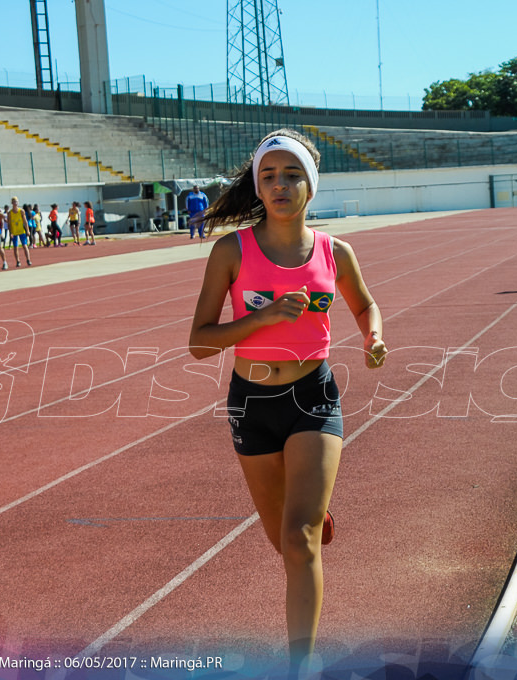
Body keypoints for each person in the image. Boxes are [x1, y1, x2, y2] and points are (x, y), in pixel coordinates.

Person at [188, 129, 387, 676]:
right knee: (283, 538)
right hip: (250, 402)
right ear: (258, 185)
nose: (280, 185)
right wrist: (259, 320)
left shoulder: (334, 252)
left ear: (311, 185)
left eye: (292, 174)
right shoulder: (232, 251)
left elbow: (366, 305)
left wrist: (372, 337)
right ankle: (310, 513)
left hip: (313, 397)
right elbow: (199, 342)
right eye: (269, 176)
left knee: (298, 543)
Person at [5, 196, 32, 267]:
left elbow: (25, 221)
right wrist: (10, 232)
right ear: (12, 203)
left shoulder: (21, 211)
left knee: (24, 245)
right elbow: (9, 223)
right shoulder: (10, 213)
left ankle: (28, 259)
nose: (15, 203)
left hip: (21, 231)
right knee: (15, 247)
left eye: (16, 202)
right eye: (14, 202)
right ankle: (18, 261)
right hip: (14, 232)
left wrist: (27, 230)